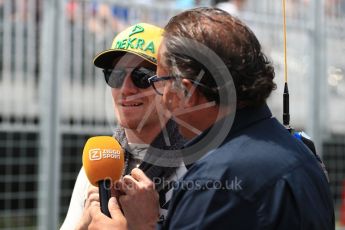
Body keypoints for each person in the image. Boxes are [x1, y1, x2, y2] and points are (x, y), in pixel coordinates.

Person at [87, 7, 334, 230]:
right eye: (115, 76)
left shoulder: (215, 184)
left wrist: (142, 226)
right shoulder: (303, 154)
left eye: (155, 81)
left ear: (187, 92)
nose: (161, 98)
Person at [60, 23, 187, 230]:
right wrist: (83, 224)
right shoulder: (98, 162)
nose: (126, 88)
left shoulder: (195, 166)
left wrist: (145, 224)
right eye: (116, 75)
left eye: (142, 76)